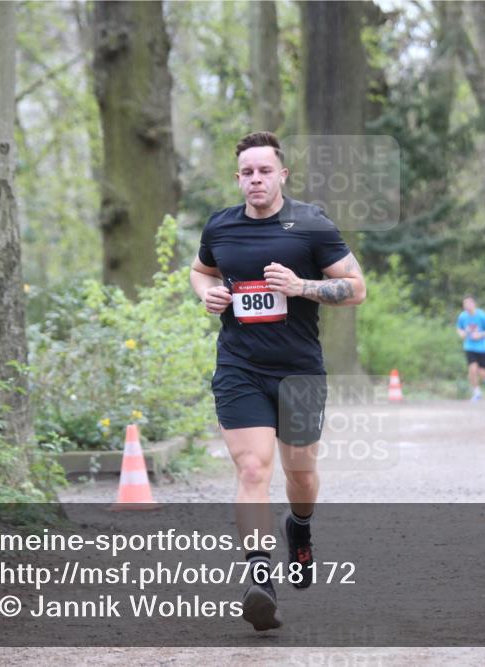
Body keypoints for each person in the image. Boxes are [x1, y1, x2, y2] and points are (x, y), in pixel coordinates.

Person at [189, 131, 366, 631]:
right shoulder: (221, 226)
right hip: (240, 367)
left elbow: (356, 289)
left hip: (299, 369)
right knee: (251, 470)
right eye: (247, 172)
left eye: (265, 171)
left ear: (282, 174)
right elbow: (200, 271)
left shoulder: (311, 224)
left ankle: (301, 528)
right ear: (237, 179)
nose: (256, 180)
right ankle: (259, 580)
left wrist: (301, 285)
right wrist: (208, 295)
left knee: (301, 474)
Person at [456, 296, 485, 401]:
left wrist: (481, 334)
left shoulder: (482, 315)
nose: (466, 306)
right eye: (464, 304)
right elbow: (459, 328)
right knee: (472, 369)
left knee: (481, 371)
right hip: (469, 346)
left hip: (483, 347)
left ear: (474, 304)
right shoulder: (462, 316)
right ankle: (476, 392)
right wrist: (461, 333)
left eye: (468, 303)